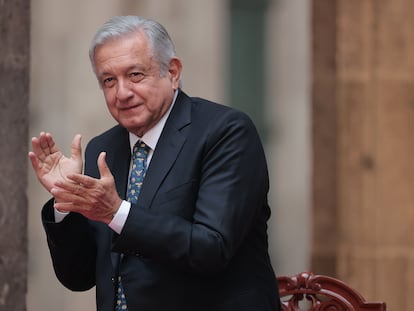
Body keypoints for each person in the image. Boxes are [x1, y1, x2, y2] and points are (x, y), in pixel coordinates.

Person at [29, 15, 281, 311]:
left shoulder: (225, 132)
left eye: (135, 75)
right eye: (109, 80)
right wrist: (66, 201)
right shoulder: (104, 149)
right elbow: (79, 277)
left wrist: (115, 212)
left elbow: (210, 248)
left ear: (172, 72)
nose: (121, 93)